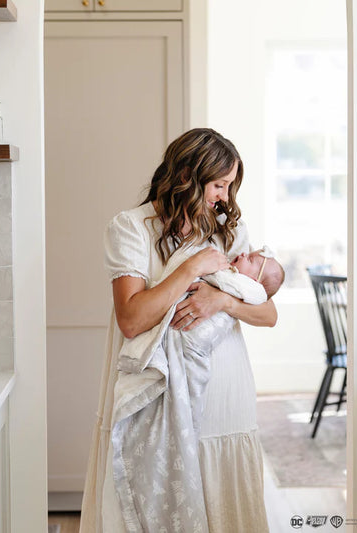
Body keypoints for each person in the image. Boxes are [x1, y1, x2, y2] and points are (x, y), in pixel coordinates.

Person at [79, 128, 277, 533]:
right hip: (157, 396)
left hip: (223, 398)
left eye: (229, 186)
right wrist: (190, 268)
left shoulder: (228, 231)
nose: (225, 197)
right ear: (188, 175)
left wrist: (221, 301)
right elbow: (131, 319)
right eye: (219, 185)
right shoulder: (132, 228)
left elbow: (268, 313)